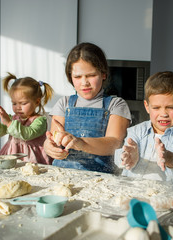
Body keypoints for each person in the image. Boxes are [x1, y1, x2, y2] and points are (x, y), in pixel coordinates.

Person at [43, 42, 131, 173]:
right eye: (78, 77)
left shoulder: (116, 104)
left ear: (103, 74)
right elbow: (53, 139)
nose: (85, 83)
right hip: (62, 174)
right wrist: (49, 147)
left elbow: (114, 143)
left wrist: (81, 143)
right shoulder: (64, 104)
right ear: (70, 77)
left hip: (101, 178)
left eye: (91, 75)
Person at [114, 71, 173, 184]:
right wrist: (128, 158)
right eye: (156, 108)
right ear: (147, 107)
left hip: (171, 196)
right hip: (136, 193)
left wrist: (170, 158)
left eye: (170, 107)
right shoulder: (136, 131)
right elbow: (120, 158)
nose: (163, 114)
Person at [0, 72, 54, 165]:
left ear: (37, 101)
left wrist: (9, 123)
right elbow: (3, 130)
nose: (18, 107)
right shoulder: (13, 118)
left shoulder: (40, 120)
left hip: (32, 159)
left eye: (23, 103)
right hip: (12, 156)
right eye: (14, 103)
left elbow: (27, 134)